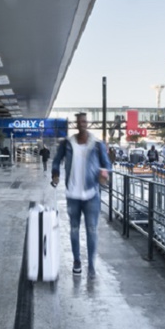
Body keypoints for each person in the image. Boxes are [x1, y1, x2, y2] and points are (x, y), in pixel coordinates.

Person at [51, 113, 111, 278]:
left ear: (87, 123)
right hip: (72, 194)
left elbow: (107, 165)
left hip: (92, 194)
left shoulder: (97, 144)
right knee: (74, 229)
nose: (82, 124)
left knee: (92, 230)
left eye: (84, 121)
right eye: (79, 121)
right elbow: (56, 160)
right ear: (76, 124)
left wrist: (104, 174)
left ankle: (91, 265)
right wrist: (55, 173)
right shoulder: (67, 143)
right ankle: (77, 261)